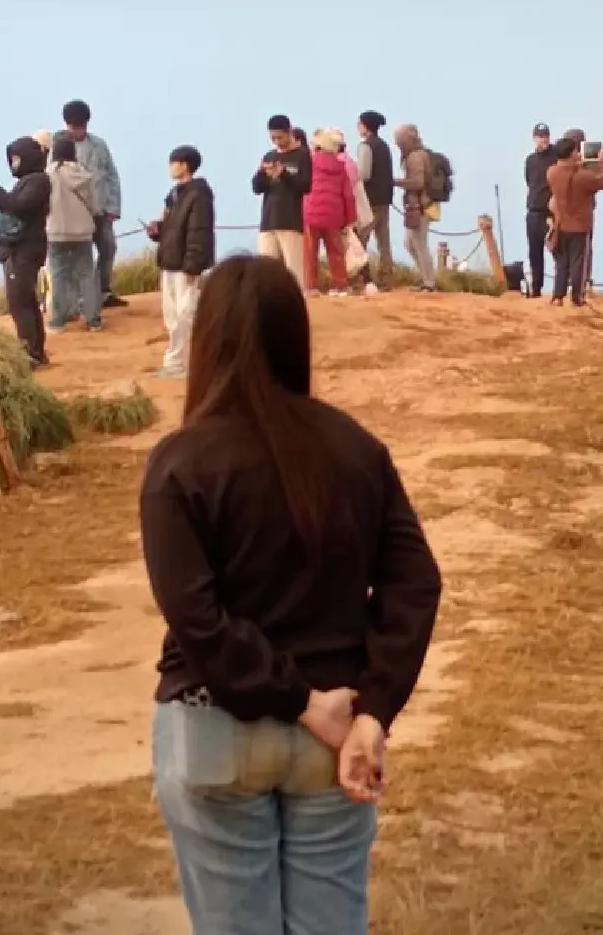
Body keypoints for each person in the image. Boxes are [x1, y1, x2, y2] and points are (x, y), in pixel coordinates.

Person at [139, 255, 442, 934]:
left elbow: (197, 618)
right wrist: (373, 710)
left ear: (207, 339)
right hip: (337, 730)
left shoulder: (180, 463)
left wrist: (296, 702)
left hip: (216, 725)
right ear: (293, 335)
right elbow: (414, 581)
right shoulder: (357, 450)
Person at [0, 137, 52, 367]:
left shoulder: (39, 181)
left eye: (17, 158)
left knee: (19, 302)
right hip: (23, 249)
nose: (14, 163)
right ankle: (35, 352)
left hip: (25, 249)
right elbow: (11, 204)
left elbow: (18, 207)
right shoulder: (30, 180)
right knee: (25, 300)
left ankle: (30, 353)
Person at [146, 146, 217, 380]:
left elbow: (199, 232)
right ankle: (179, 361)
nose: (170, 167)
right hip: (170, 262)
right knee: (172, 316)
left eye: (174, 162)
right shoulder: (174, 195)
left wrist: (193, 264)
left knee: (186, 315)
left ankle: (182, 363)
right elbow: (170, 228)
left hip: (185, 265)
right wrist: (156, 231)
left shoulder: (198, 195)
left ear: (185, 165)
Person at [55, 101, 126, 311]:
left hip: (101, 211)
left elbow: (112, 176)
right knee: (77, 259)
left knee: (108, 247)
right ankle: (78, 300)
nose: (78, 131)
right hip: (74, 214)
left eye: (82, 126)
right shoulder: (57, 147)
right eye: (74, 127)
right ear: (66, 124)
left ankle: (102, 291)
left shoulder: (99, 145)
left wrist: (113, 207)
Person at [545, 137, 603, 307]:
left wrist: (576, 164)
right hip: (579, 226)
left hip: (560, 224)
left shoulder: (552, 172)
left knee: (561, 263)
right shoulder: (582, 177)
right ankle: (576, 297)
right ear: (571, 153)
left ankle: (558, 296)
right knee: (578, 263)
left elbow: (566, 175)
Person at [44, 137, 102, 332]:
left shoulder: (48, 174)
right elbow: (95, 205)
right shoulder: (85, 174)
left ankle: (59, 320)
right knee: (86, 274)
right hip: (83, 233)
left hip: (56, 232)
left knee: (59, 274)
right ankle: (93, 319)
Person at [252, 115, 311, 282]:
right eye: (272, 138)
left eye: (279, 137)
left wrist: (283, 174)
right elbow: (257, 188)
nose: (276, 141)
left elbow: (305, 186)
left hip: (290, 221)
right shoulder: (269, 156)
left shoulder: (302, 155)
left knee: (294, 273)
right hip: (268, 221)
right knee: (265, 272)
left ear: (289, 132)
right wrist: (262, 174)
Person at [304, 129, 358, 297]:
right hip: (334, 216)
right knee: (336, 253)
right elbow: (348, 195)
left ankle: (310, 286)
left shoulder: (309, 163)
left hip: (311, 214)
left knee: (309, 253)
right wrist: (350, 218)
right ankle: (340, 285)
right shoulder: (340, 167)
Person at [393, 124, 441, 293]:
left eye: (398, 139)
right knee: (410, 243)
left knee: (419, 244)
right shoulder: (417, 153)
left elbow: (418, 183)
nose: (396, 142)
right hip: (416, 205)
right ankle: (426, 279)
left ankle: (429, 282)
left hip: (420, 206)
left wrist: (395, 182)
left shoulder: (415, 157)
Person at [355, 111, 394, 288]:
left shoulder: (365, 146)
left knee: (360, 240)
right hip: (384, 198)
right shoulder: (384, 145)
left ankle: (363, 277)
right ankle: (386, 278)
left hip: (370, 200)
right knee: (383, 241)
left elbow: (364, 174)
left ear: (364, 125)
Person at [522, 123, 555, 298]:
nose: (543, 139)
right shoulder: (530, 160)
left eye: (545, 136)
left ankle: (561, 288)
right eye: (540, 136)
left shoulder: (555, 156)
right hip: (534, 211)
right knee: (534, 251)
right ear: (534, 138)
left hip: (551, 212)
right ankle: (536, 288)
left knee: (558, 250)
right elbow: (529, 181)